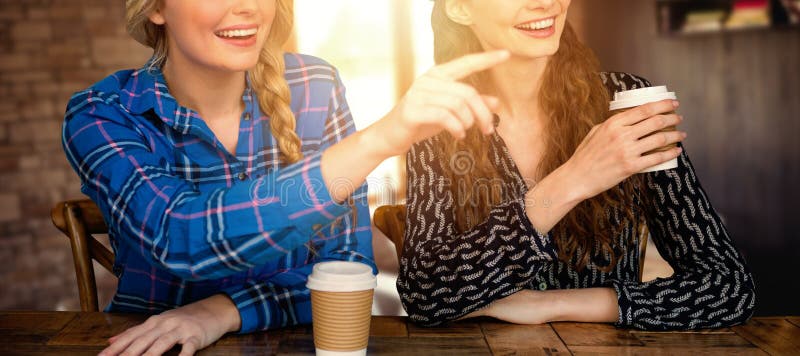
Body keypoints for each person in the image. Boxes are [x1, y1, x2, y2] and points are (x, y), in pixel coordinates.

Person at [63, 0, 510, 354]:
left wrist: (223, 312)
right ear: (156, 8)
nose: (250, 7)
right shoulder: (103, 114)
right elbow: (179, 235)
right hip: (157, 344)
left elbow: (348, 270)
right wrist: (380, 140)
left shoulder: (315, 86)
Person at [397, 0, 756, 331]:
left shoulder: (625, 104)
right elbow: (423, 294)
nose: (546, 3)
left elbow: (728, 285)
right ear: (460, 8)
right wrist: (572, 180)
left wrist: (551, 305)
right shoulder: (438, 123)